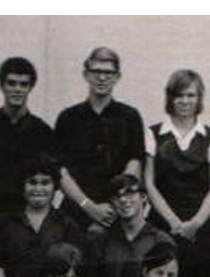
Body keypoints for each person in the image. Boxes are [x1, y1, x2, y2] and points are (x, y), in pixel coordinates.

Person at [55, 47, 146, 228]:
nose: (102, 78)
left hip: (118, 214)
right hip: (74, 213)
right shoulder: (67, 118)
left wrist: (116, 204)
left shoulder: (130, 116)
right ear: (86, 75)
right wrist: (89, 206)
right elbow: (60, 171)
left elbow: (135, 163)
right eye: (96, 71)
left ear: (117, 76)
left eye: (108, 73)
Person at [0, 156, 87, 277]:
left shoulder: (67, 225)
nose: (38, 188)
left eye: (45, 182)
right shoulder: (4, 223)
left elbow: (73, 273)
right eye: (32, 182)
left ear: (55, 187)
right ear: (22, 186)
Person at [143, 69, 210, 243]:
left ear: (199, 99)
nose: (185, 101)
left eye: (191, 95)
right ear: (170, 98)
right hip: (161, 223)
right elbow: (148, 184)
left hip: (203, 224)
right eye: (179, 95)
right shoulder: (151, 134)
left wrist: (195, 224)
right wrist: (174, 223)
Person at [0, 56, 56, 218]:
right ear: (2, 86)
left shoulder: (42, 131)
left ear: (31, 87)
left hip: (30, 217)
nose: (17, 89)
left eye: (23, 84)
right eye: (11, 83)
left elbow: (50, 180)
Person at [85, 174, 175, 277]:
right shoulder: (101, 239)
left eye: (130, 193)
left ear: (143, 197)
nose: (123, 200)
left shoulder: (161, 240)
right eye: (117, 196)